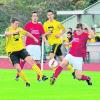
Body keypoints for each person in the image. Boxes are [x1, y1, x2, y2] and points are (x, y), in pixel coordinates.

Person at [5, 18, 48, 87]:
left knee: (31, 61)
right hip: (12, 52)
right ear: (12, 23)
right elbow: (6, 34)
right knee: (18, 68)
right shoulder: (8, 29)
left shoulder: (20, 29)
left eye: (18, 24)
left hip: (21, 50)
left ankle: (42, 75)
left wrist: (34, 38)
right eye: (16, 23)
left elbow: (27, 33)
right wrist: (14, 32)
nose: (17, 25)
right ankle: (27, 82)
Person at [15, 11, 48, 81]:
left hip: (37, 46)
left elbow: (43, 35)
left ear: (37, 17)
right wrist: (23, 45)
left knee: (37, 62)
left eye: (36, 16)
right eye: (33, 16)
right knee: (24, 61)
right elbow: (24, 35)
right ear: (31, 17)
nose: (35, 17)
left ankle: (39, 78)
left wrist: (46, 43)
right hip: (29, 46)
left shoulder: (40, 26)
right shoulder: (28, 25)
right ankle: (18, 75)